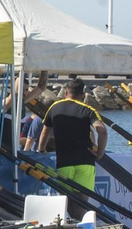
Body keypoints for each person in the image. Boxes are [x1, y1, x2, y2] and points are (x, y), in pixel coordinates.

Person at [37, 78, 108, 217]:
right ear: (82, 95)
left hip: (64, 163)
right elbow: (102, 131)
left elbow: (45, 131)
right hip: (85, 163)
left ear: (65, 93)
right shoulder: (88, 110)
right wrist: (99, 153)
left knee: (67, 206)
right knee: (81, 205)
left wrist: (41, 150)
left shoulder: (54, 107)